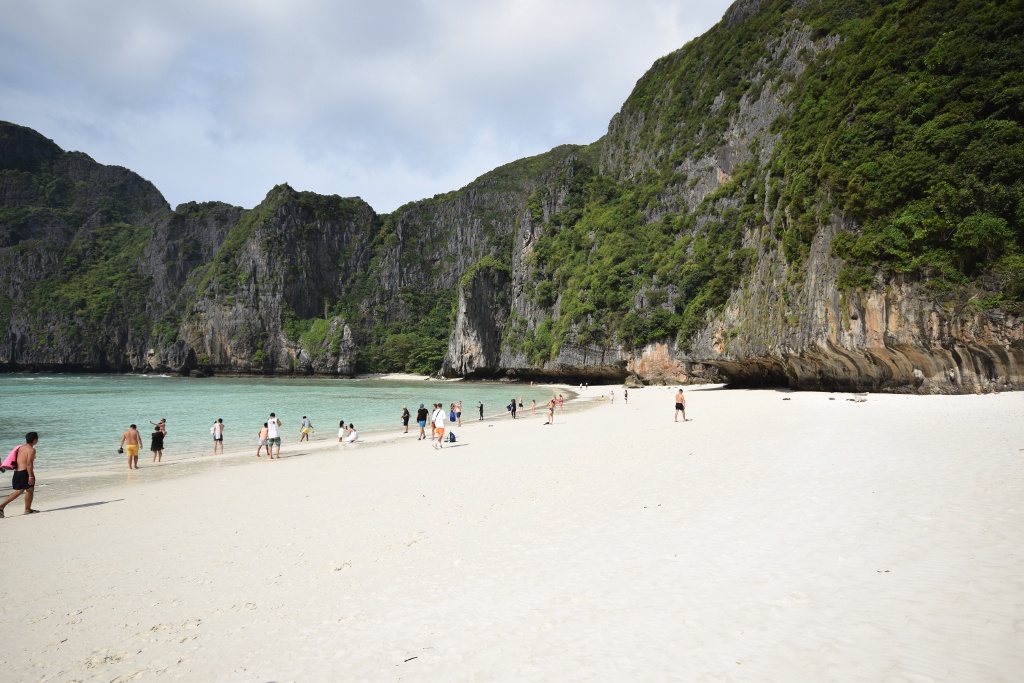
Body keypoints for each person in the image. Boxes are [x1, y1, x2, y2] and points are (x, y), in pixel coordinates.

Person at [0, 432, 39, 517]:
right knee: (30, 490)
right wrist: (31, 476)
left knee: (19, 491)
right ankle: (27, 509)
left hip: (17, 472)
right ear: (35, 440)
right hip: (25, 472)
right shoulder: (31, 450)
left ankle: (1, 506)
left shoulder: (20, 447)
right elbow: (29, 464)